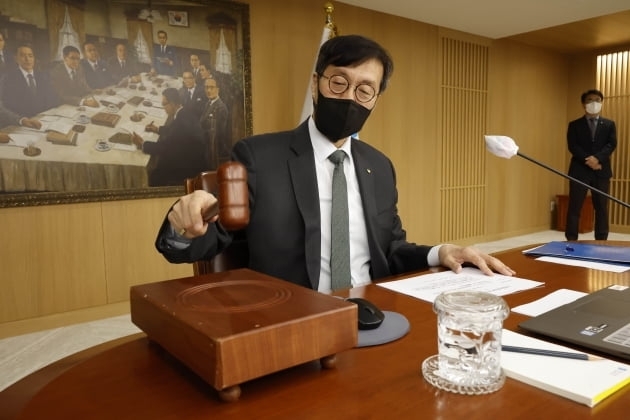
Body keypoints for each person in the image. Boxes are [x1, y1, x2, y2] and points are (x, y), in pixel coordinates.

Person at [155, 35, 515, 292]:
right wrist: (182, 224)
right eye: (339, 82)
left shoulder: (380, 166)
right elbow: (209, 239)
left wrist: (443, 251)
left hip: (373, 311)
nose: (349, 98)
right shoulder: (258, 156)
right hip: (294, 319)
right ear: (316, 84)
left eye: (364, 90)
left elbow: (390, 250)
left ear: (375, 100)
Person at [565, 89, 617, 241]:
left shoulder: (609, 124)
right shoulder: (574, 124)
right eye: (590, 100)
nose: (594, 103)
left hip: (601, 171)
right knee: (575, 207)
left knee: (601, 208)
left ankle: (601, 240)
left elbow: (611, 144)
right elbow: (573, 146)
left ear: (601, 103)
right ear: (583, 104)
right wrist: (589, 160)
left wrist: (597, 159)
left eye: (597, 100)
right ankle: (571, 239)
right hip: (579, 170)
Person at [131, 88, 207, 187]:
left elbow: (165, 147)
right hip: (191, 156)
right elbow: (175, 131)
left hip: (188, 165)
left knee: (155, 175)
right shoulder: (183, 112)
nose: (163, 107)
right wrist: (157, 129)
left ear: (173, 104)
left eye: (164, 104)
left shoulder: (181, 122)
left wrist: (142, 144)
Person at [1, 44, 60, 117]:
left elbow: (53, 98)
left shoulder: (43, 76)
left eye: (30, 56)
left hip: (45, 118)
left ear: (34, 58)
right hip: (23, 120)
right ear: (16, 59)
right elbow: (6, 106)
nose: (27, 59)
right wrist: (22, 120)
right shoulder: (8, 79)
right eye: (23, 56)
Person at [199, 77, 229, 169]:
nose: (208, 90)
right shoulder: (208, 104)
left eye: (211, 87)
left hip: (213, 151)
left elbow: (220, 134)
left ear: (218, 89)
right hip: (206, 147)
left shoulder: (221, 108)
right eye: (206, 87)